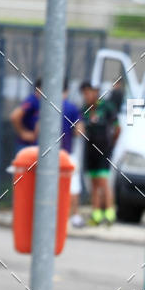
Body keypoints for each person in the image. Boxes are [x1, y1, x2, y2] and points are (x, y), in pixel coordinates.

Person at [79, 81, 120, 225]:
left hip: (104, 150)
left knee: (104, 182)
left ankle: (109, 213)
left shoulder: (107, 107)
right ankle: (96, 214)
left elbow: (117, 127)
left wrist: (111, 143)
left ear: (96, 92)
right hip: (90, 151)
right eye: (84, 93)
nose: (86, 96)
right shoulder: (84, 109)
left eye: (89, 92)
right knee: (94, 183)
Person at [60, 81, 85, 228]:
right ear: (67, 91)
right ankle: (74, 216)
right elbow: (79, 131)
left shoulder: (45, 105)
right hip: (66, 153)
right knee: (73, 185)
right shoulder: (71, 108)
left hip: (45, 154)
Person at [10, 78, 41, 151]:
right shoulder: (32, 100)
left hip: (36, 146)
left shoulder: (41, 102)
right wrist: (23, 133)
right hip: (26, 146)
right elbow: (15, 116)